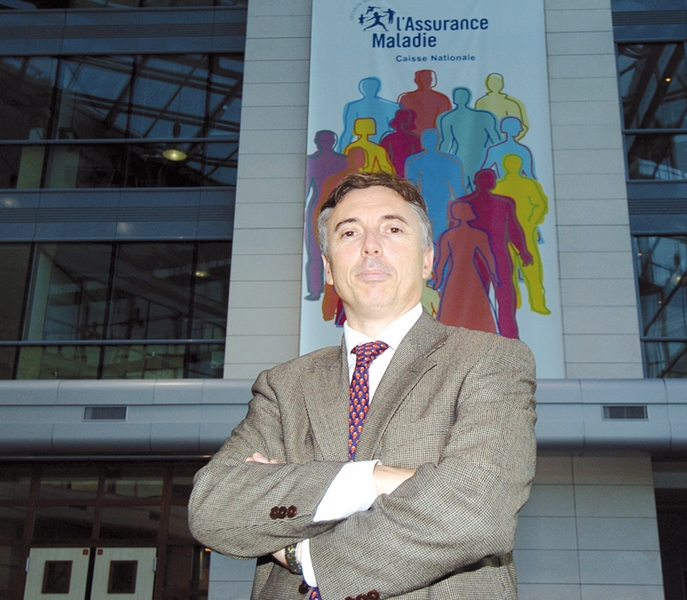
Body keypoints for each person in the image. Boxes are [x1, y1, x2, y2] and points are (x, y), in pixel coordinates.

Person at [188, 172, 538, 600]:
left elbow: (477, 513)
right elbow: (211, 507)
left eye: (393, 229)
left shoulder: (491, 361)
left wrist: (306, 555)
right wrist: (372, 479)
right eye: (350, 233)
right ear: (328, 268)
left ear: (427, 260)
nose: (371, 245)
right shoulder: (282, 387)